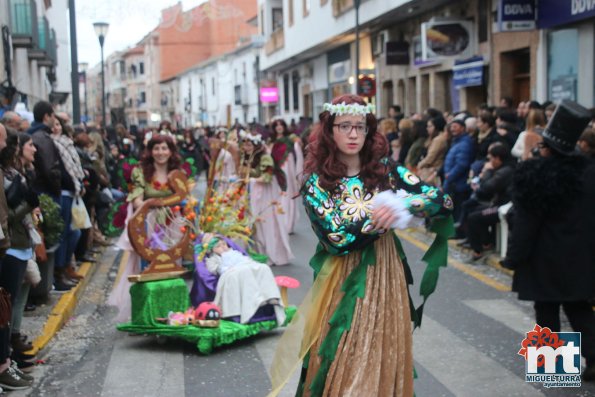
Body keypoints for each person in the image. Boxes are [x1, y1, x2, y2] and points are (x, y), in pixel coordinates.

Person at [269, 94, 453, 396]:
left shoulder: (385, 171)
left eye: (360, 126)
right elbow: (336, 238)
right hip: (341, 283)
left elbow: (441, 200)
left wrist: (403, 203)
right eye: (344, 126)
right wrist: (381, 217)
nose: (353, 134)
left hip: (386, 277)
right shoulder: (317, 182)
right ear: (330, 130)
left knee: (380, 355)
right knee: (343, 358)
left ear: (369, 132)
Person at [502, 100, 595, 382]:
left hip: (546, 256)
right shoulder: (589, 172)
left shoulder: (537, 175)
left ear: (546, 147)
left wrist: (514, 257)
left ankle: (555, 367)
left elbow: (526, 223)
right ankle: (594, 359)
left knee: (547, 309)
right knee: (579, 307)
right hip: (582, 254)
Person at [107, 134, 186, 322]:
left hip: (173, 224)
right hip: (149, 224)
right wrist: (153, 205)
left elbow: (184, 197)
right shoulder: (141, 172)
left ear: (171, 151)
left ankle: (172, 313)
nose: (160, 152)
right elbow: (136, 201)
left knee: (171, 268)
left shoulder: (177, 172)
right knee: (149, 270)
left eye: (164, 148)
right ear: (150, 151)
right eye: (156, 148)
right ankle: (147, 316)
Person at [0, 131, 37, 388]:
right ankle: (4, 364)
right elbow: (9, 214)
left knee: (12, 308)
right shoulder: (5, 176)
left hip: (19, 243)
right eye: (29, 145)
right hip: (10, 247)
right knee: (5, 310)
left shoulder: (14, 173)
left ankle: (7, 361)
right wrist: (27, 203)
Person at [200, 233, 285, 325]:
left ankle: (270, 296)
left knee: (263, 268)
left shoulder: (234, 252)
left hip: (243, 266)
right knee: (245, 272)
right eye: (218, 246)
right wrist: (225, 265)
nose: (223, 247)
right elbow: (216, 269)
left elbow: (246, 259)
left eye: (224, 244)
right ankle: (257, 300)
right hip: (230, 273)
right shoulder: (213, 259)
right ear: (212, 250)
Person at [239, 131, 293, 266]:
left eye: (249, 144)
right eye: (245, 144)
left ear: (255, 145)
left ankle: (271, 252)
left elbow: (267, 177)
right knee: (253, 223)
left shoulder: (265, 157)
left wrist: (252, 180)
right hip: (252, 194)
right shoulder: (245, 158)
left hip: (265, 195)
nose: (246, 147)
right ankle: (257, 251)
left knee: (265, 222)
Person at [442, 119, 475, 221]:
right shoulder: (456, 142)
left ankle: (458, 230)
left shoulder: (465, 143)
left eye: (455, 127)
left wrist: (450, 175)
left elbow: (462, 164)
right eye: (451, 127)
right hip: (453, 182)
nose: (452, 129)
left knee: (458, 209)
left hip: (458, 182)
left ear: (463, 128)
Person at [417, 116, 448, 185]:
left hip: (432, 170)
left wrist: (420, 164)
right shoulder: (433, 138)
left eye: (430, 126)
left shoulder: (438, 140)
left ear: (436, 127)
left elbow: (430, 157)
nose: (427, 128)